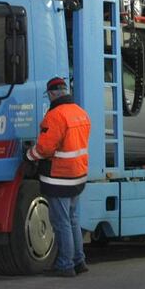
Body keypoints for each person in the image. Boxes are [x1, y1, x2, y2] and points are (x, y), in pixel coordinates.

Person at [26, 76, 92, 278]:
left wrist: (29, 155)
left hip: (59, 176)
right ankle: (79, 261)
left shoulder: (55, 116)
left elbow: (46, 147)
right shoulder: (80, 113)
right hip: (78, 174)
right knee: (72, 219)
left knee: (61, 221)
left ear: (53, 94)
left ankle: (65, 265)